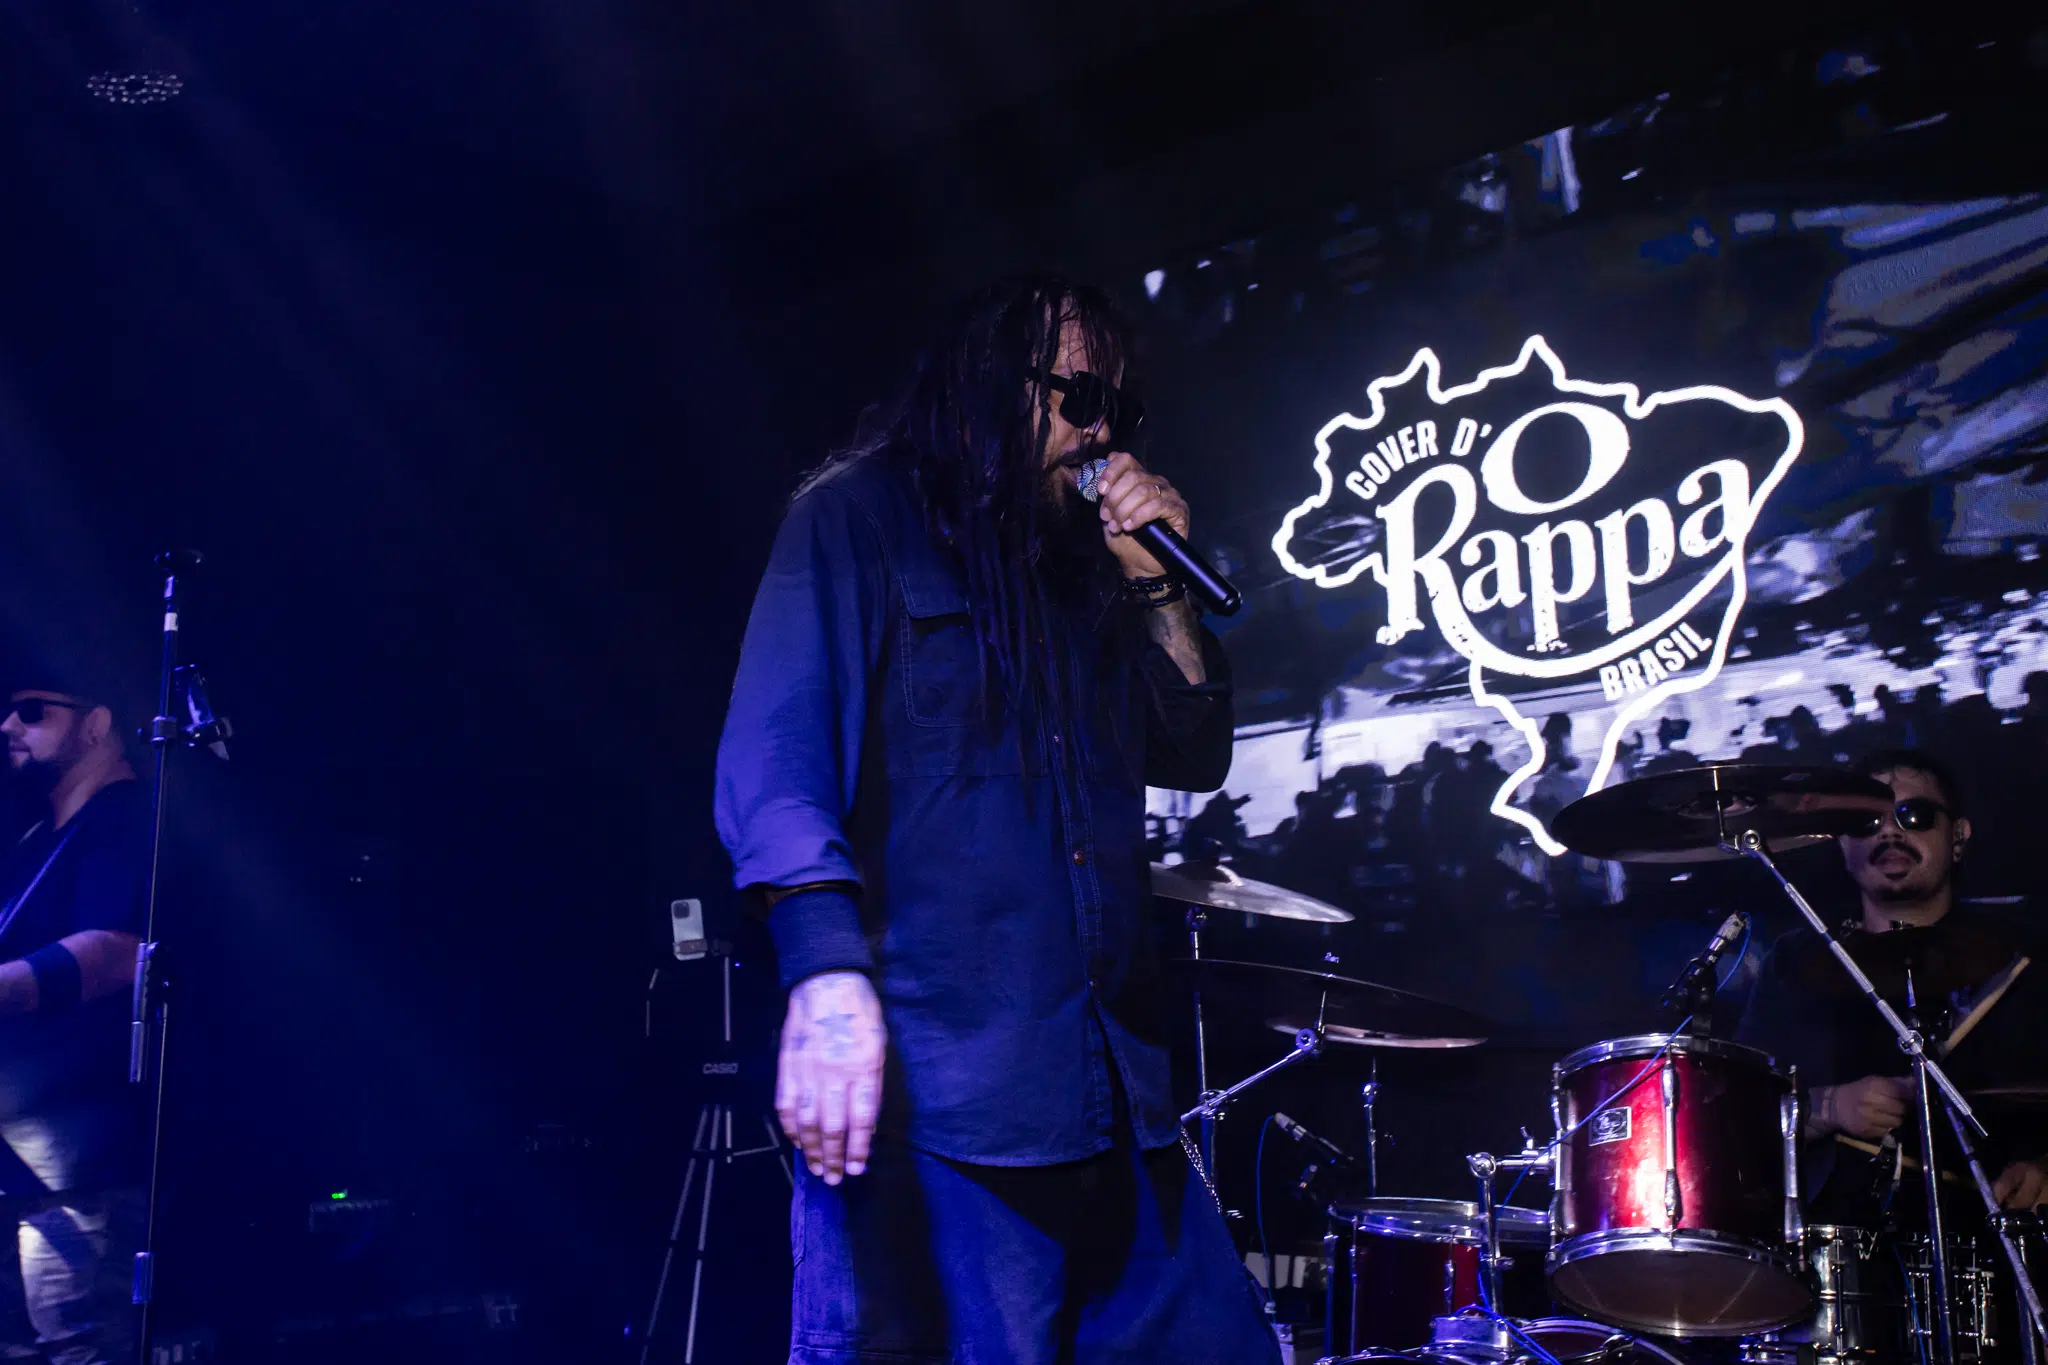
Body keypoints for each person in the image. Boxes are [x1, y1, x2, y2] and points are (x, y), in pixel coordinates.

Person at [715, 274, 1276, 1364]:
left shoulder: (1086, 569)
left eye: (1119, 408)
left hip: (1114, 1098)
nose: (1101, 432)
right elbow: (777, 762)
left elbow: (1193, 751)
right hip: (942, 1111)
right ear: (986, 385)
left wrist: (1157, 586)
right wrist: (825, 983)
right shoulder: (856, 518)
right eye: (1078, 397)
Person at [1738, 748, 2048, 1225]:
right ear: (1841, 844)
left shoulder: (2023, 957)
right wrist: (1827, 1107)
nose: (1889, 832)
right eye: (1866, 822)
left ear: (1958, 836)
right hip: (1836, 1246)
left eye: (1914, 815)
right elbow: (1738, 1113)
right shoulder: (1794, 963)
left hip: (2002, 1238)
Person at [0, 675, 149, 1365]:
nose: (8, 726)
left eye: (31, 711)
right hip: (27, 1152)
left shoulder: (127, 819)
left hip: (82, 1158)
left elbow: (116, 950)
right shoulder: (37, 836)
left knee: (76, 1345)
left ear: (96, 724)